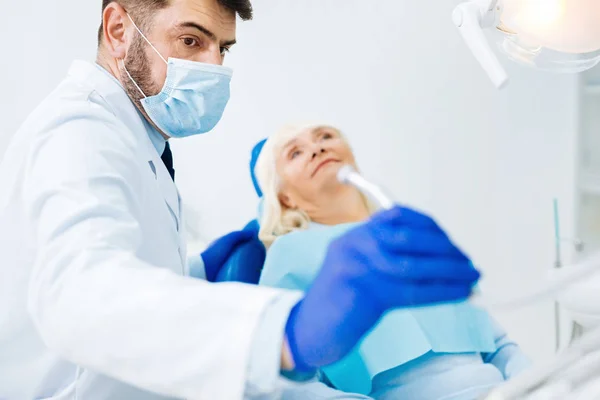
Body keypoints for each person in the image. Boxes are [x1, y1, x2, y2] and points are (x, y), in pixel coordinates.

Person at [0, 1, 481, 399]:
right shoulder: (78, 133)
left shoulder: (140, 144)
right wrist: (286, 330)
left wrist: (198, 269)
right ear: (119, 28)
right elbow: (80, 295)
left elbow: (119, 265)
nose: (213, 68)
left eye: (222, 48)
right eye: (191, 41)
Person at [252, 123, 531, 400]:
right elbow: (288, 382)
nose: (317, 148)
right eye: (295, 153)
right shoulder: (289, 253)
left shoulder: (405, 233)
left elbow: (498, 345)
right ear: (284, 197)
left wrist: (534, 387)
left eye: (325, 136)